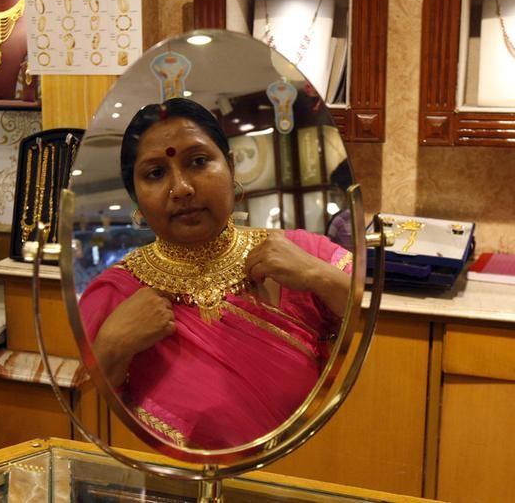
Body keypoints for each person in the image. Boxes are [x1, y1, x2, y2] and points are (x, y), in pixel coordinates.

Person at [79, 98, 352, 449]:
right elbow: (84, 426)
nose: (181, 189)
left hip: (305, 473)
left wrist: (321, 277)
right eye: (155, 173)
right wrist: (112, 347)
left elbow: (379, 342)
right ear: (136, 200)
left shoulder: (303, 254)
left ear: (232, 168)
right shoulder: (115, 294)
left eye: (198, 161)